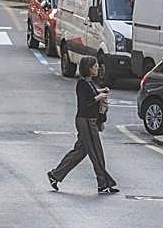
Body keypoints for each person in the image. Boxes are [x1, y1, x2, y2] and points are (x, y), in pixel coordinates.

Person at [47, 56, 118, 195]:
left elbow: (92, 94)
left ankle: (55, 175)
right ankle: (103, 183)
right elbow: (86, 102)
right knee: (96, 152)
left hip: (89, 121)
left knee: (80, 152)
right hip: (85, 121)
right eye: (95, 66)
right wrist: (99, 97)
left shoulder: (89, 83)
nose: (97, 68)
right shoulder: (82, 83)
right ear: (89, 68)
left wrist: (101, 91)